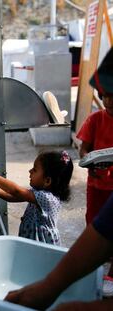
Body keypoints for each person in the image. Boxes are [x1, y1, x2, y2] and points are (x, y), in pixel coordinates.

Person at [4, 193, 113, 310]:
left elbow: (16, 191)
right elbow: (104, 231)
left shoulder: (45, 197)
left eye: (34, 172)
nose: (30, 173)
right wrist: (48, 286)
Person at [0, 150, 73, 245]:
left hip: (43, 244)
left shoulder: (48, 199)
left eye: (34, 170)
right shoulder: (37, 193)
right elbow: (11, 196)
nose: (30, 171)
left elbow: (15, 190)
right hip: (33, 241)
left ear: (47, 181)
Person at [76, 47, 113, 297]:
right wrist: (91, 162)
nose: (108, 101)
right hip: (96, 185)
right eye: (105, 96)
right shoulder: (95, 120)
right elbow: (84, 149)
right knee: (95, 224)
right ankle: (97, 265)